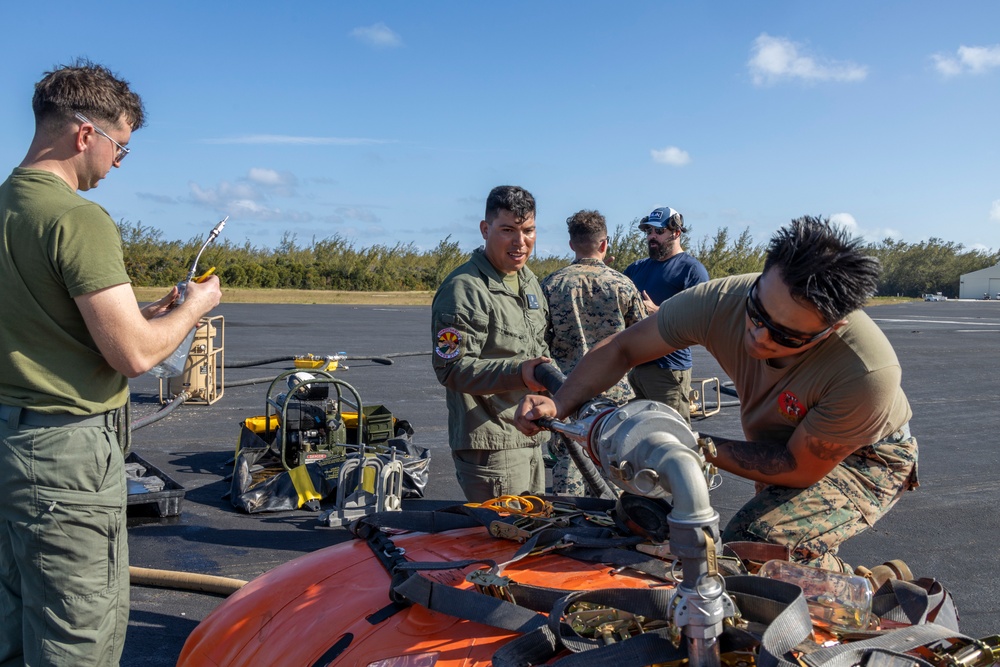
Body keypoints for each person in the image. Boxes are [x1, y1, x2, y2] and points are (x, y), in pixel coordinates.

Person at [515, 217, 917, 573]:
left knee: (758, 544)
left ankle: (872, 593)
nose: (758, 337)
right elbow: (624, 347)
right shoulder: (722, 300)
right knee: (759, 557)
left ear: (832, 328)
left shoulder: (866, 371)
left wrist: (686, 443)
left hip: (867, 456)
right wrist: (560, 401)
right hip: (779, 436)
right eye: (758, 314)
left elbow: (797, 467)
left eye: (785, 335)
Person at [0, 60, 222, 665]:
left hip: (9, 444)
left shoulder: (7, 206)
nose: (117, 164)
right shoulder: (75, 218)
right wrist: (194, 308)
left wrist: (142, 312)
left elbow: (39, 322)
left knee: (15, 626)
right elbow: (134, 355)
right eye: (119, 148)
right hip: (64, 460)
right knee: (76, 638)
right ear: (83, 134)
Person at [431, 185, 551, 502]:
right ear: (486, 229)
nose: (520, 242)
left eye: (528, 230)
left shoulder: (528, 281)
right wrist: (519, 372)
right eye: (507, 230)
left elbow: (539, 348)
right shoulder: (465, 289)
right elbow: (452, 368)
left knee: (536, 535)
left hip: (530, 437)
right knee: (506, 541)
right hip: (493, 446)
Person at [540, 209, 646, 495]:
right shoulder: (623, 284)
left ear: (572, 243)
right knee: (617, 468)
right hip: (615, 394)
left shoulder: (552, 285)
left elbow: (539, 340)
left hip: (568, 392)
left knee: (568, 466)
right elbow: (643, 337)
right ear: (604, 244)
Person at [624, 206, 709, 424]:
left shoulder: (691, 270)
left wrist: (660, 313)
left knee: (673, 437)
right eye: (649, 232)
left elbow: (702, 320)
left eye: (658, 232)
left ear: (676, 233)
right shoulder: (636, 268)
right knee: (637, 438)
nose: (652, 237)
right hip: (635, 369)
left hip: (668, 370)